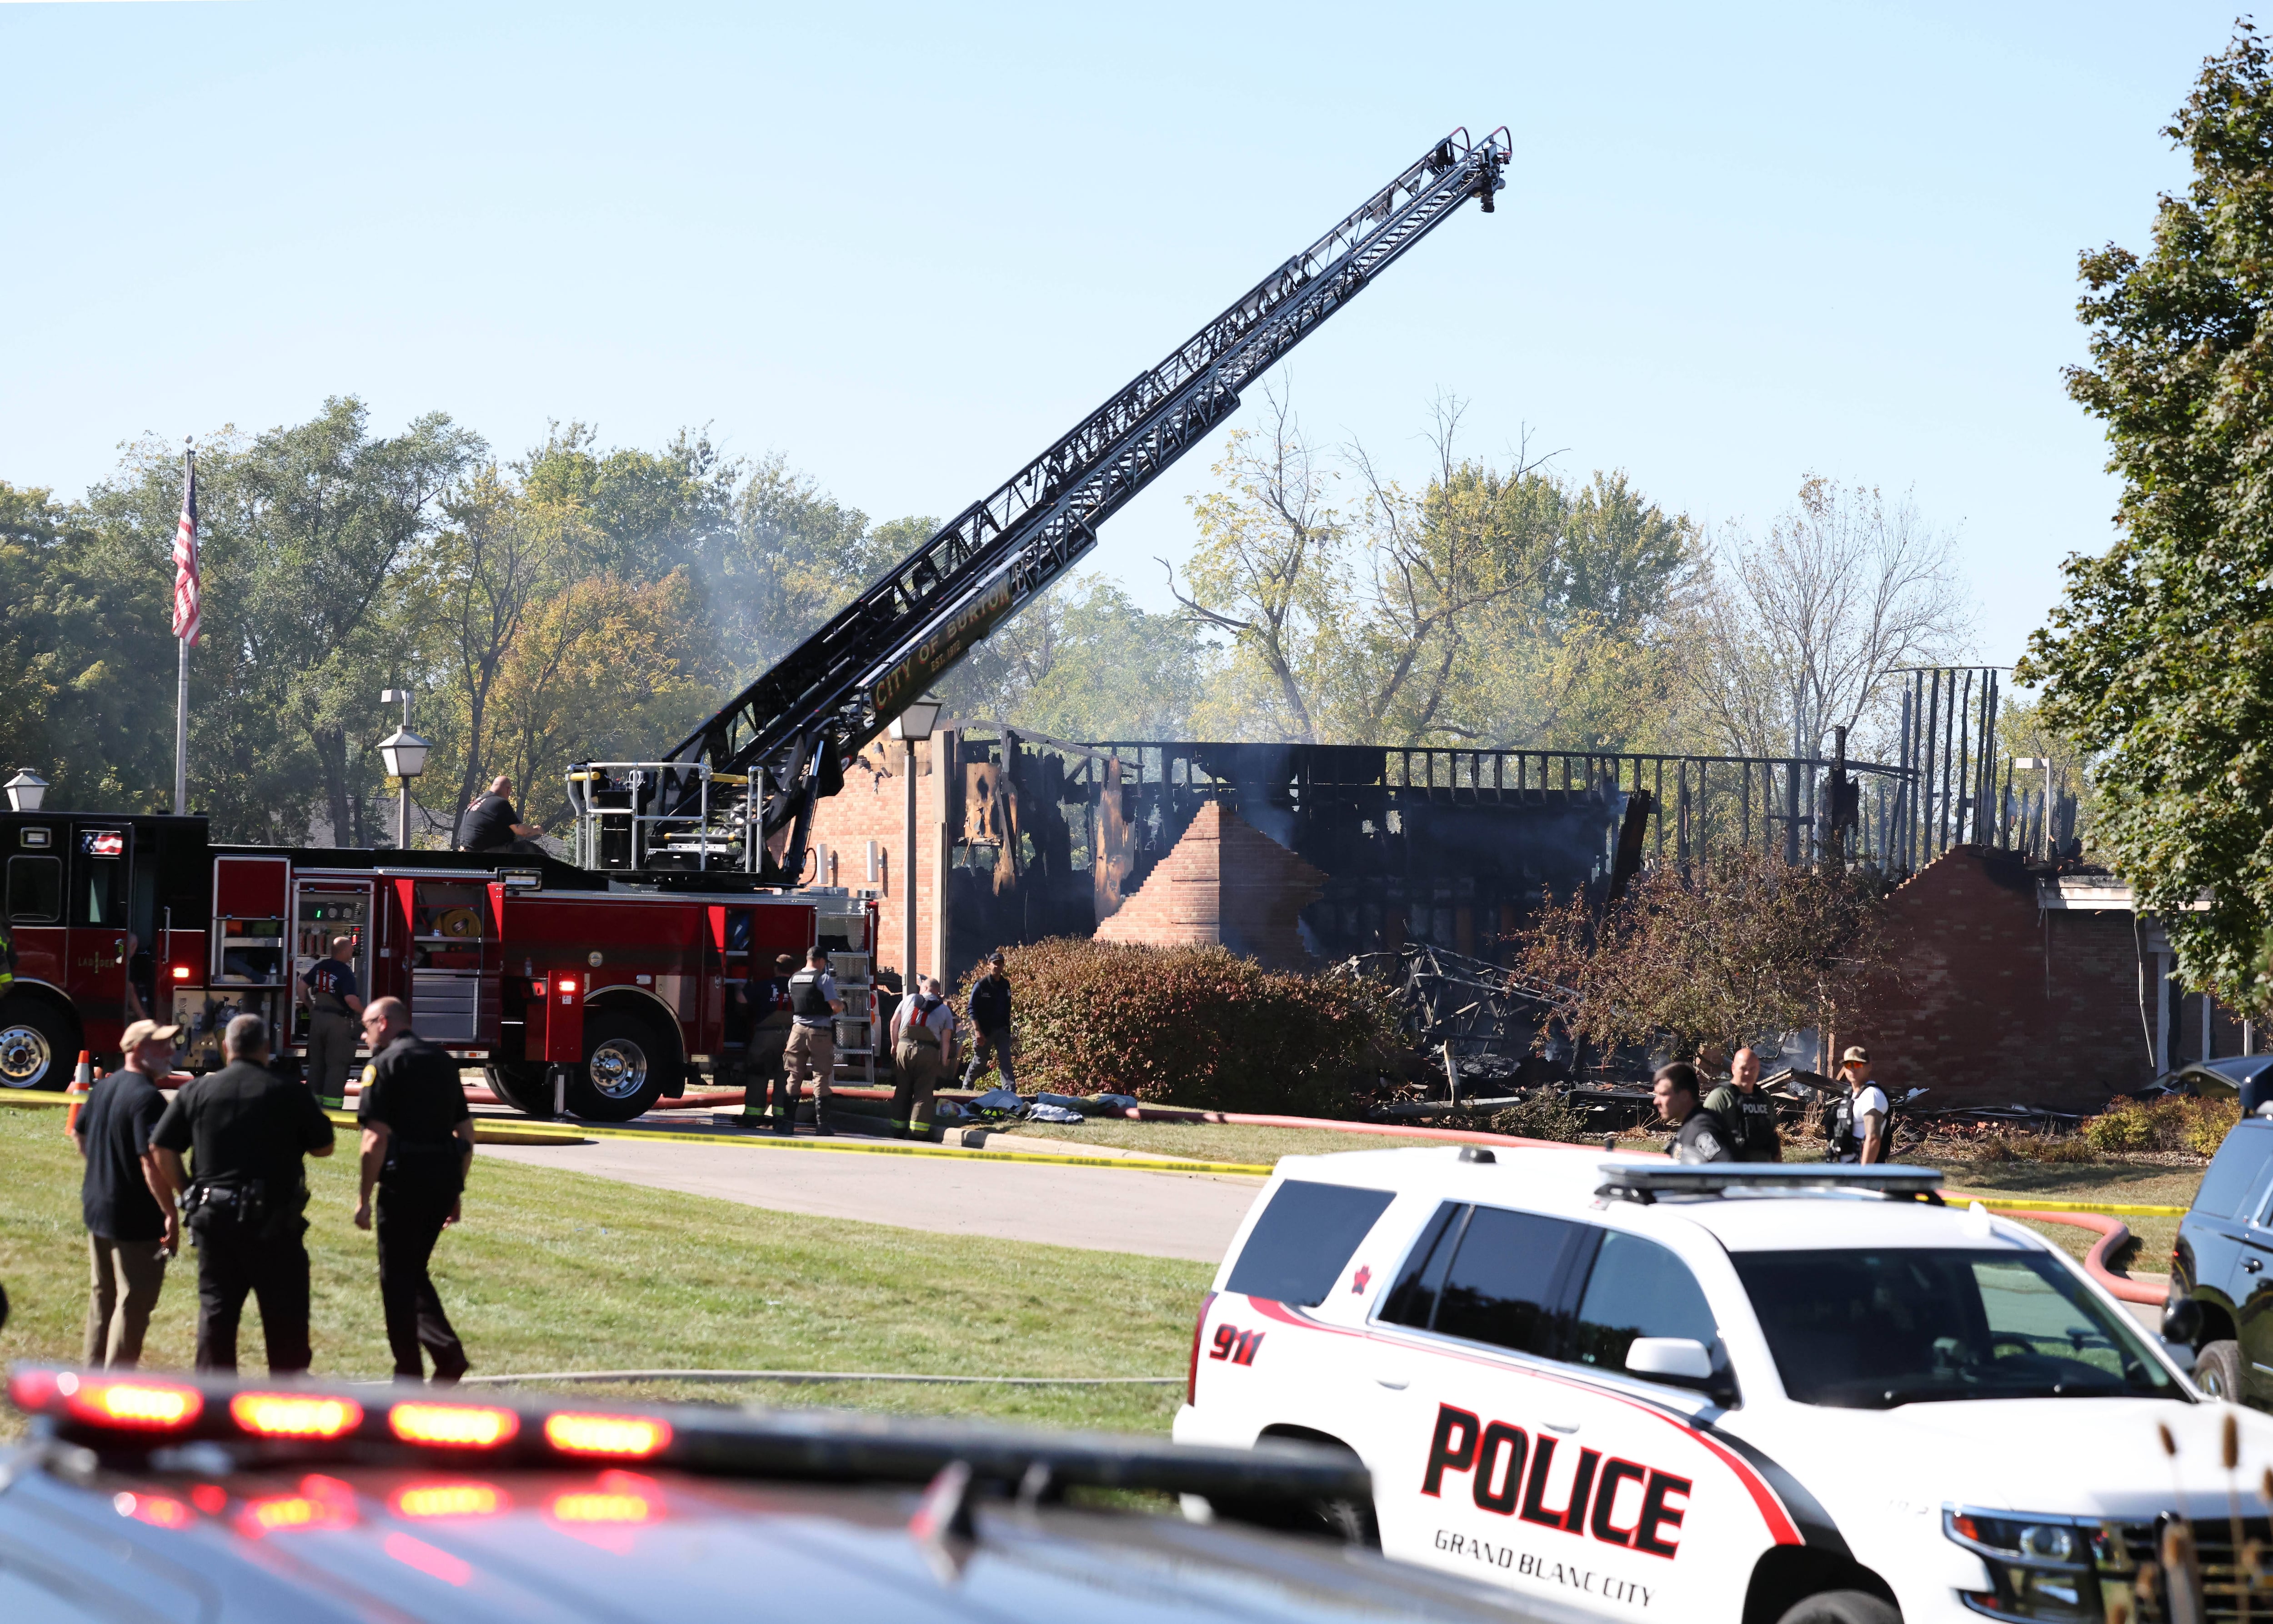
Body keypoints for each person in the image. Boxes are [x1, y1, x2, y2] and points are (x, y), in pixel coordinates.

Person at [150, 1013, 336, 1373]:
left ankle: (215, 1410)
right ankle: (286, 1411)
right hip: (275, 1223)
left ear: (226, 1048)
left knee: (217, 1315)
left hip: (214, 1219)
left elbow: (162, 1148)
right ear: (267, 1048)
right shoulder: (289, 1091)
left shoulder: (197, 1091)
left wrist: (188, 1191)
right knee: (286, 1321)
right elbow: (324, 1148)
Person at [353, 996, 476, 1384]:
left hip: (404, 1182)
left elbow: (375, 1139)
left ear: (385, 1023)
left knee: (397, 1277)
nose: (364, 1032)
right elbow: (467, 1135)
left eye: (367, 1024)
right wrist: (456, 1190)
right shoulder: (442, 1062)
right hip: (441, 1180)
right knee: (411, 1271)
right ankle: (439, 1358)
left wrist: (363, 1199)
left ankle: (417, 1368)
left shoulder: (382, 1066)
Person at [72, 1019, 181, 1368]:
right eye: (161, 1045)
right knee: (135, 1299)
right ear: (137, 1050)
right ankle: (113, 1386)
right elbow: (153, 1162)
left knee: (103, 1294)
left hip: (98, 1207)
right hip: (134, 1218)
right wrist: (171, 1213)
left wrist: (103, 1170)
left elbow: (80, 1133)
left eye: (170, 1044)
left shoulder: (105, 1087)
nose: (171, 1051)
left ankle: (92, 1378)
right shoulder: (148, 1099)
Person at [889, 976, 959, 1139]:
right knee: (924, 1092)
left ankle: (897, 1129)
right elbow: (946, 1040)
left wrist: (894, 1045)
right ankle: (918, 1132)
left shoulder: (909, 999)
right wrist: (942, 1064)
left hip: (904, 1048)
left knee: (902, 1089)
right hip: (928, 1053)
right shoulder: (944, 1011)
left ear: (925, 989)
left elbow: (894, 1023)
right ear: (938, 993)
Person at [784, 947, 842, 1136]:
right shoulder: (823, 979)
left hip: (797, 1032)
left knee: (793, 1076)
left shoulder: (793, 979)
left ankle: (787, 1124)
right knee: (820, 1077)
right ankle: (822, 1126)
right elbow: (835, 1007)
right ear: (819, 960)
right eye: (824, 963)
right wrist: (842, 1005)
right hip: (819, 1033)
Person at [739, 954, 800, 1133]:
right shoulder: (798, 989)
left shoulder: (764, 986)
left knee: (758, 1075)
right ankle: (781, 1118)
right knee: (785, 1078)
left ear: (776, 968)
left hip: (765, 1038)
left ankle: (752, 1116)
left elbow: (742, 1000)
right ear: (794, 970)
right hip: (791, 1038)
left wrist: (739, 988)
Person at [303, 934, 365, 1109]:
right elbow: (351, 1000)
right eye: (351, 950)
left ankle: (313, 1107)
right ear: (344, 951)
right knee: (337, 1065)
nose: (353, 953)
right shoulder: (345, 972)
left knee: (316, 1064)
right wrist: (366, 1014)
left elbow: (301, 987)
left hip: (318, 1020)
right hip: (338, 1022)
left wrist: (309, 1005)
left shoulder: (320, 968)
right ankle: (332, 1108)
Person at [1703, 1045, 1782, 1163]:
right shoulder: (1721, 1097)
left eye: (1753, 1069)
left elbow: (1773, 1138)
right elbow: (1703, 1136)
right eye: (1743, 1068)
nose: (1748, 1073)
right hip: (1732, 1174)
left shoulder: (1764, 1098)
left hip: (1764, 1174)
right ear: (1733, 1068)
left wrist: (1779, 1173)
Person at [1652, 1062, 1733, 1163]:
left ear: (1685, 1096)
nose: (1656, 1101)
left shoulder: (1701, 1128)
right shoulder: (1691, 1126)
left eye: (1663, 1094)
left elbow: (1729, 1170)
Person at [961, 952, 1016, 1090]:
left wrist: (1008, 1028)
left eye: (1000, 963)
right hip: (984, 1031)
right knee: (980, 1062)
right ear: (989, 965)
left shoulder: (1005, 985)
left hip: (1002, 1030)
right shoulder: (981, 985)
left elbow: (1007, 1007)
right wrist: (977, 1031)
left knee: (1006, 1061)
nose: (998, 966)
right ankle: (967, 1087)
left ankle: (1010, 1092)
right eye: (995, 963)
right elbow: (971, 1008)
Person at [1828, 1045, 1889, 1164]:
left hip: (1864, 1175)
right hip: (1847, 1172)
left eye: (1857, 1065)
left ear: (1869, 1066)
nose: (1852, 1070)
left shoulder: (1872, 1095)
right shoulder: (1851, 1096)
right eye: (1848, 1065)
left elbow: (1873, 1139)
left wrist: (1863, 1176)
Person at [457, 775, 546, 856]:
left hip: (465, 851)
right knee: (532, 850)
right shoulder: (500, 802)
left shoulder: (476, 803)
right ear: (508, 790)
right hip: (485, 852)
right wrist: (536, 830)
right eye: (510, 792)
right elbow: (521, 831)